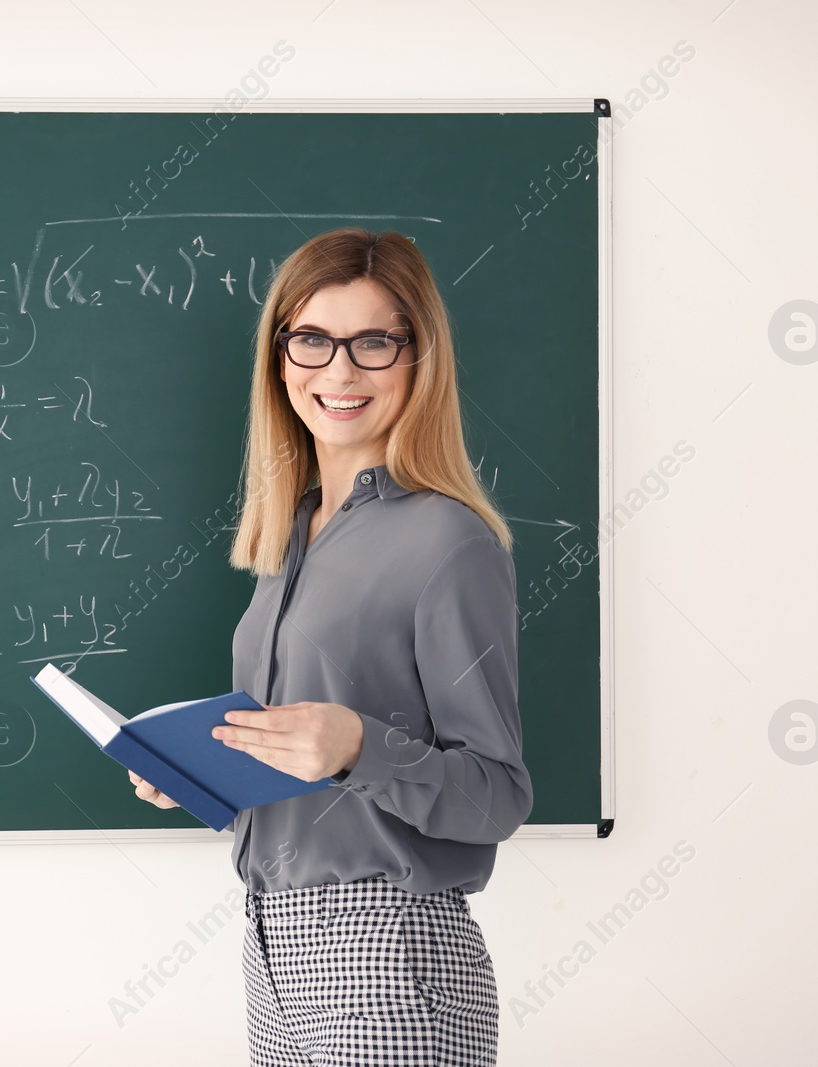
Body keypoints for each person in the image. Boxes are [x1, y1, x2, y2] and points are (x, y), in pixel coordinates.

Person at [130, 228, 533, 1066]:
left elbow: (497, 797)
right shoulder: (296, 536)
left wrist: (361, 746)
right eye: (312, 339)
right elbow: (301, 762)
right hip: (272, 941)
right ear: (281, 358)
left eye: (373, 343)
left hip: (389, 947)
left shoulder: (448, 542)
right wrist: (201, 768)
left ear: (418, 360)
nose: (338, 372)